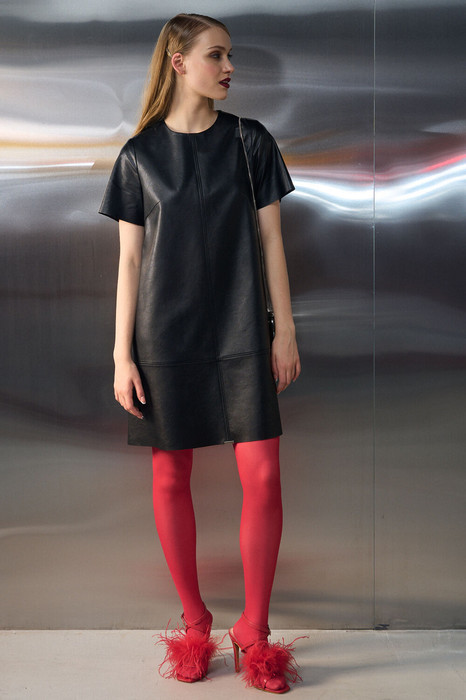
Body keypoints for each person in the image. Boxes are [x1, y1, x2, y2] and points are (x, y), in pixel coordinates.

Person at [99, 13, 301, 694]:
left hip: (242, 328)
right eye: (217, 55)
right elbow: (130, 263)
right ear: (178, 62)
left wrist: (284, 331)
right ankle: (195, 624)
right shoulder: (138, 156)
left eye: (230, 56)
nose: (230, 68)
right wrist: (121, 356)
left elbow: (272, 241)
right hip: (164, 336)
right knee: (169, 479)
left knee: (264, 477)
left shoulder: (251, 141)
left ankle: (256, 632)